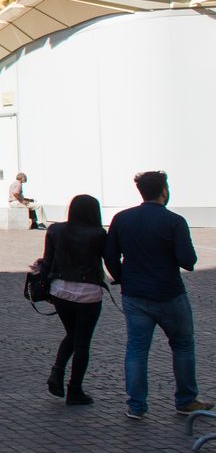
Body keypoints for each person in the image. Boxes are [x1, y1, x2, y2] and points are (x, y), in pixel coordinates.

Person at [104, 170, 210, 418]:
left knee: (137, 349)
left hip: (135, 294)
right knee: (183, 345)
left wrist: (122, 277)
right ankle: (186, 399)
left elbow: (109, 256)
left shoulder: (122, 218)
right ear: (164, 191)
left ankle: (136, 405)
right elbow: (188, 261)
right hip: (169, 293)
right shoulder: (174, 221)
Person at [37, 194, 108, 406]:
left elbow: (47, 261)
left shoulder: (56, 230)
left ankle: (57, 372)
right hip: (88, 292)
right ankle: (74, 389)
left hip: (60, 290)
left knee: (72, 334)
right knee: (82, 341)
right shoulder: (98, 234)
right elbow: (109, 260)